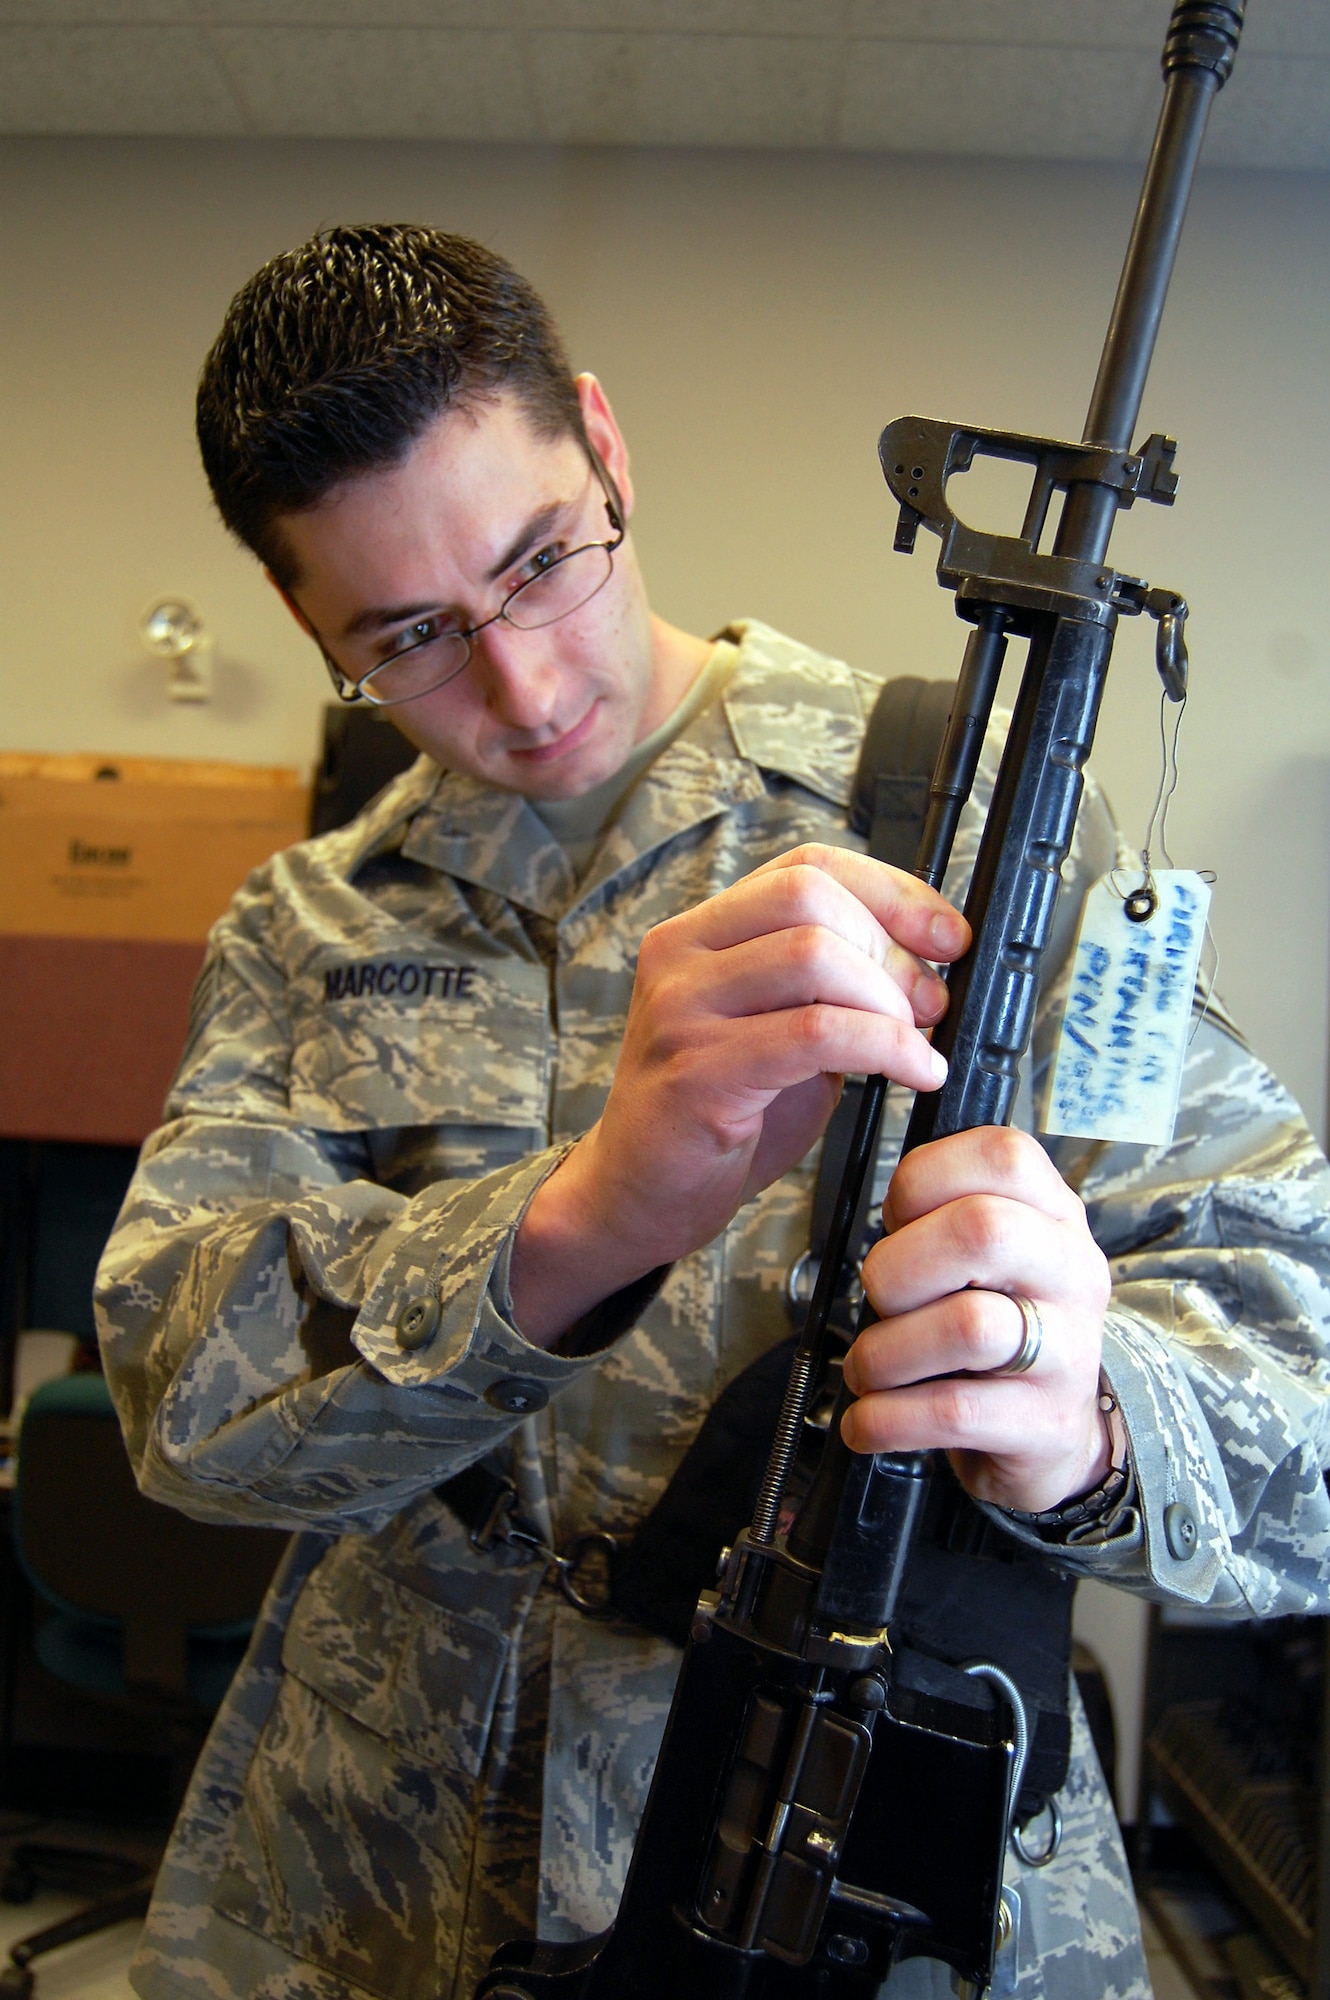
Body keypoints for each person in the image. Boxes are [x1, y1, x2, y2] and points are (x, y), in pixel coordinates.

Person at [96, 225, 1330, 2000]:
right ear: (309, 622)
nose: (521, 686)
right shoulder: (310, 929)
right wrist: (583, 1222)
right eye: (410, 637)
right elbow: (173, 1413)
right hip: (380, 1883)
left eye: (541, 561)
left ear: (601, 443)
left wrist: (1089, 1423)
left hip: (867, 1877)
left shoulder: (970, 827)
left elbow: (1303, 1390)